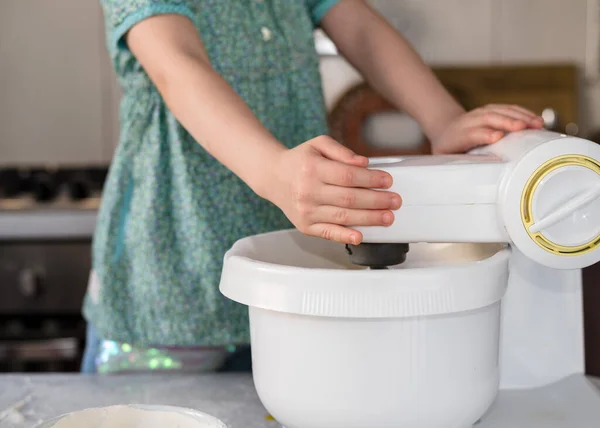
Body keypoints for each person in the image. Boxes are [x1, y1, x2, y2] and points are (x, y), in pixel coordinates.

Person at [81, 0, 544, 374]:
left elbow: (358, 24)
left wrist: (443, 119)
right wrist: (274, 172)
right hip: (169, 285)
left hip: (290, 273)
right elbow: (176, 66)